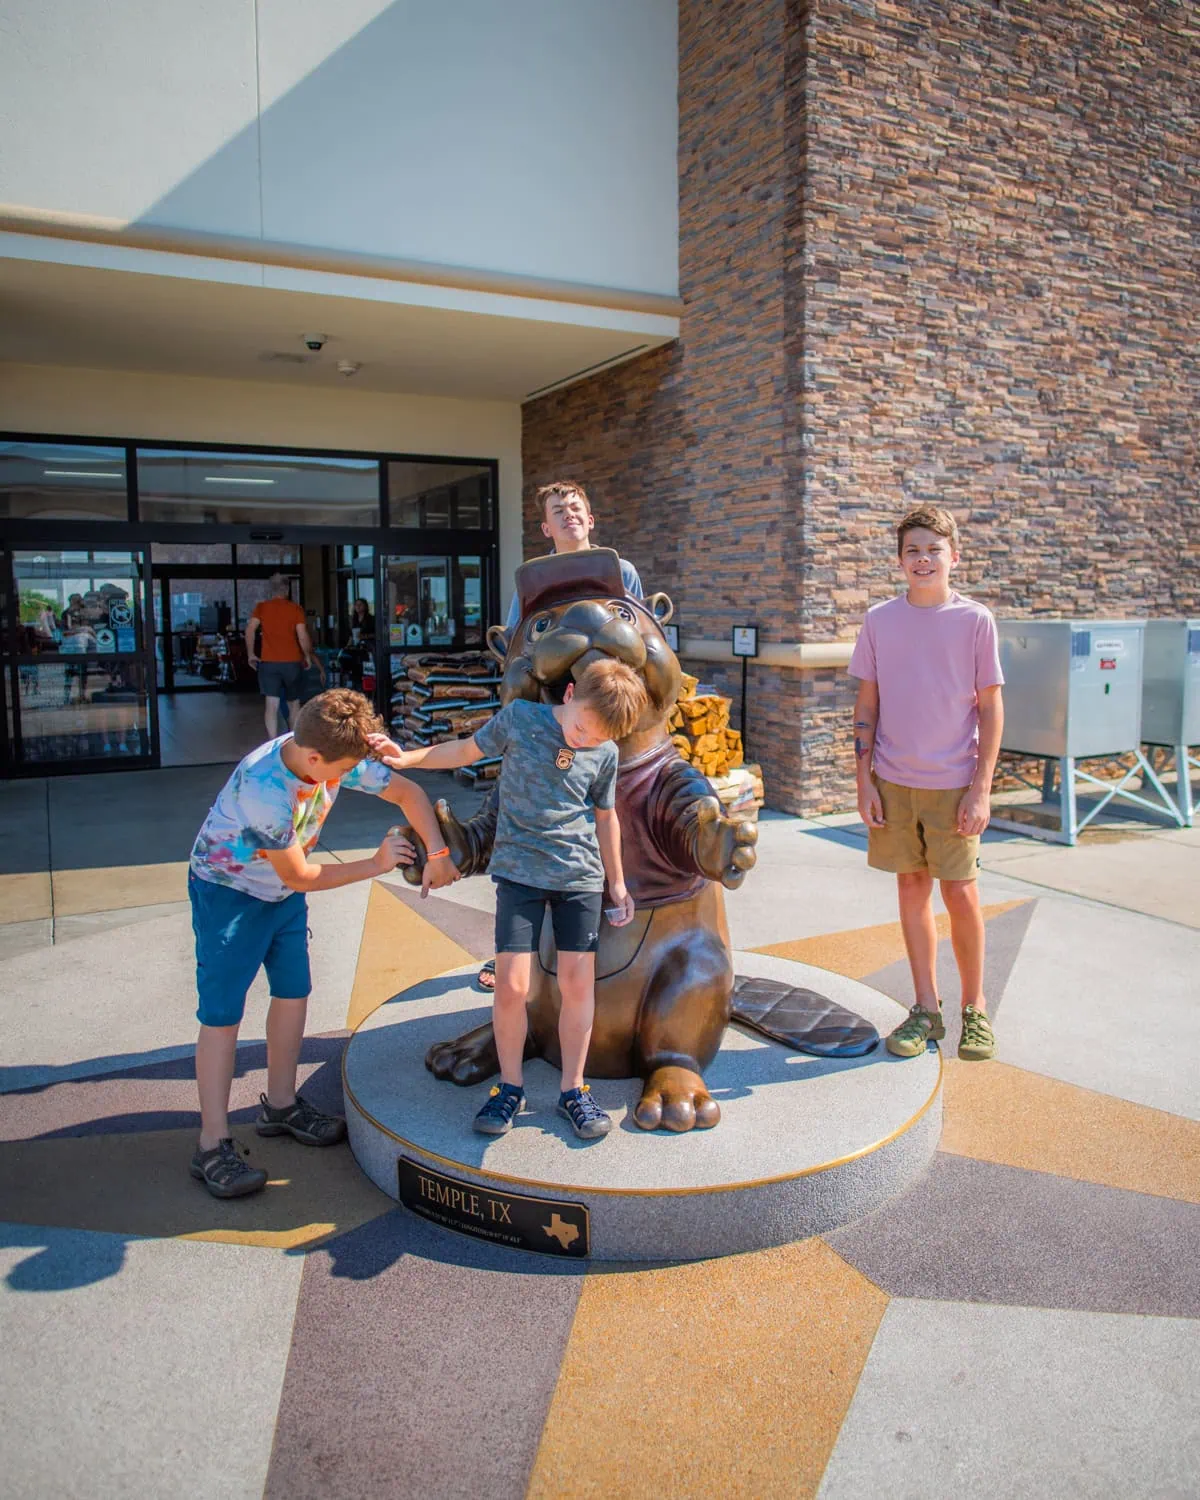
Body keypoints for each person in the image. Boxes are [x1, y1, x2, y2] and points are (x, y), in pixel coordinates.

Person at [187, 688, 459, 1198]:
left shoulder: (329, 752)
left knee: (293, 992)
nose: (345, 779)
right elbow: (304, 876)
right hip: (230, 895)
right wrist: (377, 865)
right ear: (314, 759)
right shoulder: (264, 789)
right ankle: (211, 1143)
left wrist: (438, 850)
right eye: (340, 772)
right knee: (222, 1015)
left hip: (279, 894)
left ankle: (283, 1104)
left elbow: (409, 794)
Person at [378, 658, 645, 1140]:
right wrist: (409, 758)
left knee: (578, 985)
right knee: (512, 987)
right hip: (519, 875)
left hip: (578, 879)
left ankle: (574, 1090)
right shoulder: (522, 719)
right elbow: (465, 749)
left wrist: (618, 882)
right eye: (583, 727)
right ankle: (510, 1088)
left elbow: (606, 818)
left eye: (598, 737)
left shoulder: (604, 753)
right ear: (569, 696)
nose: (584, 740)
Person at [849, 504, 1005, 1062]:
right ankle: (925, 1009)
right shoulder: (879, 620)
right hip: (893, 782)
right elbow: (867, 704)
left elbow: (991, 708)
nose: (922, 559)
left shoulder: (975, 621)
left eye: (933, 549)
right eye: (912, 550)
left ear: (953, 557)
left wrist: (982, 787)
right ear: (899, 560)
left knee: (960, 894)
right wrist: (864, 781)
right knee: (911, 889)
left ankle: (975, 1008)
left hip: (955, 783)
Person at [476, 480, 644, 993]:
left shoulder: (622, 572)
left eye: (576, 507)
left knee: (610, 815)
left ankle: (612, 913)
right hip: (554, 711)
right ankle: (511, 946)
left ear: (591, 519)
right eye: (558, 510)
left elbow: (640, 630)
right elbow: (517, 647)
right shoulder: (531, 581)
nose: (569, 514)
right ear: (545, 527)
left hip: (607, 713)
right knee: (525, 821)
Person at [245, 575, 318, 740]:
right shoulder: (295, 609)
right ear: (287, 590)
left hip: (269, 663)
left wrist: (251, 654)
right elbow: (302, 635)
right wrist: (307, 655)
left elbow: (250, 629)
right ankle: (293, 740)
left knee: (271, 704)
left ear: (271, 590)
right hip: (292, 662)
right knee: (294, 703)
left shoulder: (262, 608)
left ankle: (272, 741)